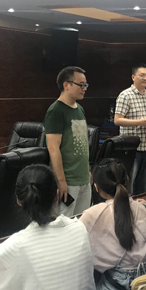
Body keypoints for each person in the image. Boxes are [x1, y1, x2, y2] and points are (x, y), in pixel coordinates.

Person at [79, 158, 146, 290]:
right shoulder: (144, 208)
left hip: (116, 287)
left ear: (96, 187)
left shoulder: (93, 214)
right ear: (126, 181)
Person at [44, 66, 91, 217]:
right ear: (66, 85)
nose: (84, 88)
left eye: (85, 85)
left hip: (83, 178)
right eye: (81, 85)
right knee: (64, 224)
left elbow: (82, 144)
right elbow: (53, 148)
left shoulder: (80, 109)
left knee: (82, 223)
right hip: (68, 181)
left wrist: (87, 171)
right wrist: (61, 181)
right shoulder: (55, 111)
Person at [114, 64, 146, 195]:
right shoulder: (125, 95)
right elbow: (117, 120)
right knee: (128, 187)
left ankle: (141, 208)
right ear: (133, 77)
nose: (145, 78)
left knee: (143, 189)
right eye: (142, 75)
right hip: (131, 149)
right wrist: (140, 122)